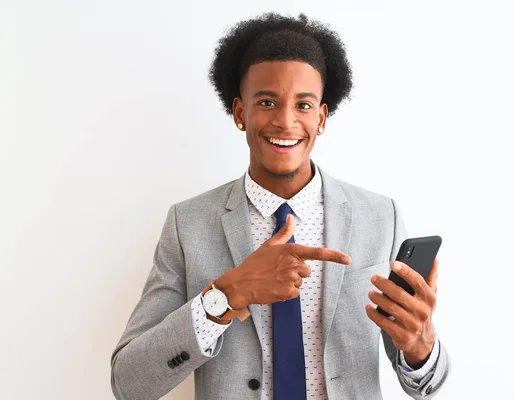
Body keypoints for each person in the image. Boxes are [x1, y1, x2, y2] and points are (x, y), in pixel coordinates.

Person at [111, 12, 450, 400]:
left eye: (303, 105)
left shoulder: (381, 217)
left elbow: (427, 385)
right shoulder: (186, 225)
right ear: (241, 113)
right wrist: (226, 295)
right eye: (268, 101)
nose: (286, 121)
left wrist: (420, 345)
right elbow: (129, 383)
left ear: (321, 117)